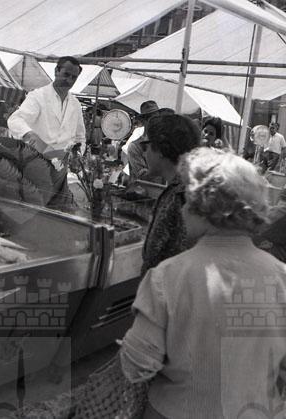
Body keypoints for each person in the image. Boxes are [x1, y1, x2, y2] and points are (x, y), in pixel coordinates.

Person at [120, 147, 286, 418]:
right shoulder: (281, 277)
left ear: (204, 209)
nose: (184, 209)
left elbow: (137, 364)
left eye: (188, 201)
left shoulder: (167, 277)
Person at [139, 114, 200, 275]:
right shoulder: (192, 186)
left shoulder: (178, 195)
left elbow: (155, 258)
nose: (144, 153)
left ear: (159, 149)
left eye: (145, 146)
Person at [7, 56, 85, 157]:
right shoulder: (38, 96)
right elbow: (15, 120)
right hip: (37, 157)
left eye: (73, 77)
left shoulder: (76, 104)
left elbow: (80, 138)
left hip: (63, 161)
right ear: (56, 71)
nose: (69, 80)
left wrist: (77, 155)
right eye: (66, 74)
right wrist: (29, 134)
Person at [126, 101, 172, 183]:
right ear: (144, 121)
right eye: (151, 119)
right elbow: (142, 176)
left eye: (157, 118)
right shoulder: (135, 146)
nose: (156, 122)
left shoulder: (165, 142)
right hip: (146, 189)